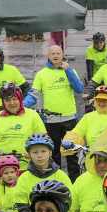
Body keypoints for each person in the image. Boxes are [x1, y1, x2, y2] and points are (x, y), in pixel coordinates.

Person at [31, 44, 83, 175]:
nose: (55, 56)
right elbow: (33, 95)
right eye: (52, 53)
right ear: (48, 56)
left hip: (69, 119)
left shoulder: (70, 71)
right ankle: (56, 179)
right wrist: (22, 105)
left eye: (58, 53)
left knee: (71, 153)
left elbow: (79, 89)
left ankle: (74, 181)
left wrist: (68, 71)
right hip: (51, 121)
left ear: (62, 55)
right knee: (53, 154)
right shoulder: (41, 74)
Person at [0, 82, 47, 167]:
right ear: (3, 102)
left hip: (27, 166)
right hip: (3, 167)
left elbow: (43, 140)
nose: (12, 103)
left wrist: (35, 154)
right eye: (7, 100)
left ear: (20, 99)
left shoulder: (33, 115)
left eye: (14, 99)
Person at [63, 85, 107, 160]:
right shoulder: (88, 117)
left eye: (105, 100)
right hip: (92, 157)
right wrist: (70, 140)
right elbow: (76, 133)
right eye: (99, 100)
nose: (101, 103)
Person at [9, 134, 72, 208]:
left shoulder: (61, 176)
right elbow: (21, 204)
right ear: (29, 155)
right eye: (35, 152)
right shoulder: (24, 178)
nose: (39, 155)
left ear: (50, 153)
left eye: (43, 151)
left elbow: (70, 201)